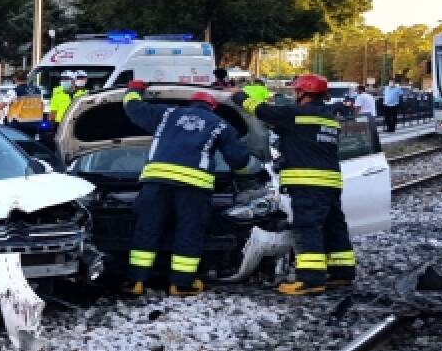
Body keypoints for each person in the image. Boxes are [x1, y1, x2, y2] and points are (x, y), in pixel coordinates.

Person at [121, 82, 251, 297]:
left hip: (156, 182)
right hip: (193, 187)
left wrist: (134, 89)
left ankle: (136, 282)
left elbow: (132, 107)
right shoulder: (220, 124)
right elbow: (238, 160)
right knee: (189, 232)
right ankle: (180, 285)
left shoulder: (166, 114)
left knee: (147, 229)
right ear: (212, 107)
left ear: (191, 104)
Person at [233, 74, 355, 295]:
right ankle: (341, 273)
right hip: (331, 181)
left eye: (296, 92)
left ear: (304, 94)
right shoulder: (329, 118)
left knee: (308, 228)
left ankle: (310, 280)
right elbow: (300, 138)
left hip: (308, 182)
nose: (294, 95)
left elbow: (263, 111)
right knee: (333, 226)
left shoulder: (295, 115)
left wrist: (238, 96)